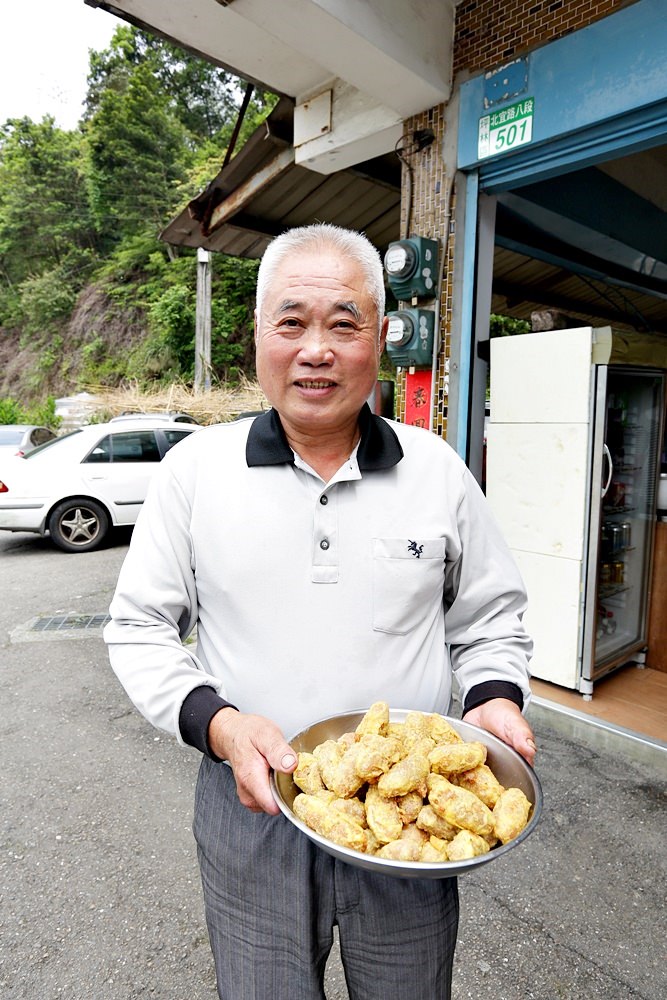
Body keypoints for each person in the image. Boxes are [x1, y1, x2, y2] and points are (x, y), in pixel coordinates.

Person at [105, 223, 536, 1000]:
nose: (316, 349)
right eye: (292, 321)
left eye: (344, 323)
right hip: (252, 800)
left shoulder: (436, 471)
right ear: (259, 336)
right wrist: (220, 724)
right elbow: (139, 627)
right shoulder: (194, 473)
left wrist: (494, 698)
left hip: (405, 810)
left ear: (379, 339)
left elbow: (488, 618)